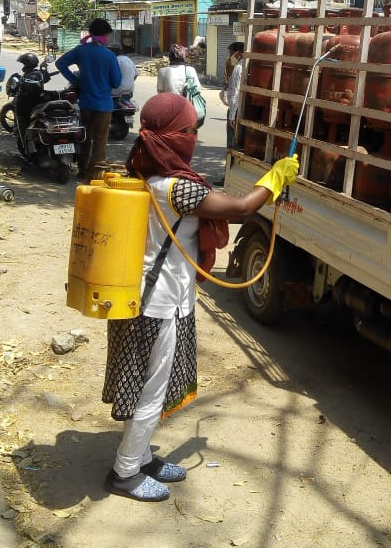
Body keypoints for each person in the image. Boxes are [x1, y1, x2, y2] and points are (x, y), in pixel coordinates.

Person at [102, 92, 299, 502]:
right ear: (171, 136)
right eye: (190, 131)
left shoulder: (146, 169)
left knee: (145, 385)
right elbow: (242, 208)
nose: (195, 137)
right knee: (151, 390)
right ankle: (125, 472)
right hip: (157, 304)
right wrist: (275, 178)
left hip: (148, 298)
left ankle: (139, 457)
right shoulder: (176, 189)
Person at [56, 18, 121, 181]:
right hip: (104, 105)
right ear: (105, 35)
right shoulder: (109, 55)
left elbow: (60, 63)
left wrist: (76, 80)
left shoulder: (81, 50)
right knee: (100, 141)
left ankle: (82, 171)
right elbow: (117, 82)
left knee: (85, 138)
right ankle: (94, 175)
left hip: (85, 103)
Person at [213, 43, 244, 187]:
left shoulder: (239, 67)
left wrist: (232, 115)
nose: (230, 56)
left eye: (232, 52)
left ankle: (228, 178)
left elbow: (236, 92)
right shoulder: (237, 65)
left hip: (235, 111)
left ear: (238, 53)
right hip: (237, 109)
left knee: (231, 146)